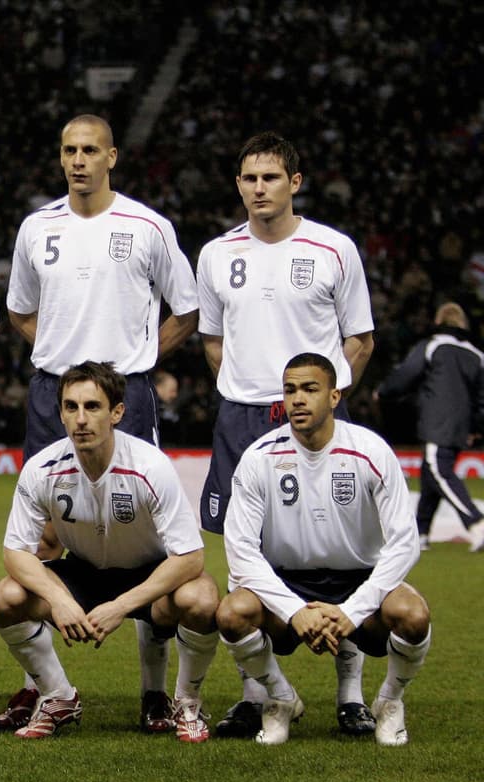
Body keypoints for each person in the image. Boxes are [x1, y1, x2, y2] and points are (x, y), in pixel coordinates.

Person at [5, 114, 199, 733]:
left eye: (90, 150)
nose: (79, 160)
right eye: (69, 150)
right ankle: (41, 686)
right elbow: (20, 310)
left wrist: (134, 363)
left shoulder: (147, 227)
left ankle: (153, 691)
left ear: (112, 156)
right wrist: (66, 368)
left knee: (144, 537)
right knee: (43, 538)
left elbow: (187, 310)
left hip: (126, 393)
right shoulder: (37, 227)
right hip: (53, 391)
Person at [196, 131, 377, 738]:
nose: (259, 188)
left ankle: (351, 695)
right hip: (242, 417)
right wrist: (246, 391)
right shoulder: (216, 254)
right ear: (238, 184)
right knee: (242, 553)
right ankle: (261, 694)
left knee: (340, 548)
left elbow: (360, 339)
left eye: (270, 177)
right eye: (249, 178)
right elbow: (213, 340)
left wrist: (325, 402)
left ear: (294, 182)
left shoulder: (334, 248)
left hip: (316, 420)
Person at [0, 361, 220, 741]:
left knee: (202, 598)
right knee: (6, 597)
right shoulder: (41, 469)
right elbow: (16, 552)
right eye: (71, 407)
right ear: (61, 413)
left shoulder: (150, 465)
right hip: (83, 569)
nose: (81, 419)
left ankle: (186, 702)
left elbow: (191, 557)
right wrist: (58, 600)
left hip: (148, 573)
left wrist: (121, 606)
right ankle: (58, 695)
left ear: (116, 413)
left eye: (92, 406)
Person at [217, 353, 431, 745]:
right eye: (290, 390)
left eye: (309, 389)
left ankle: (389, 701)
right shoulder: (259, 457)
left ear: (334, 396)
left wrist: (353, 610)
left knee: (413, 615)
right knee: (232, 613)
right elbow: (241, 550)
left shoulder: (371, 451)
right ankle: (280, 698)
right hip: (287, 582)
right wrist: (294, 610)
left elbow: (404, 542)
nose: (297, 399)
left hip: (358, 580)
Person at [377, 302, 484, 550]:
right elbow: (482, 398)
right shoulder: (477, 355)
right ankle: (421, 534)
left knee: (439, 472)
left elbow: (406, 373)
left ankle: (476, 522)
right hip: (462, 426)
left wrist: (384, 391)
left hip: (437, 422)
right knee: (430, 477)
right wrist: (476, 428)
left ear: (438, 321)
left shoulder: (433, 346)